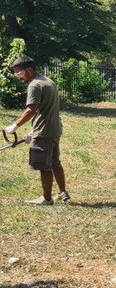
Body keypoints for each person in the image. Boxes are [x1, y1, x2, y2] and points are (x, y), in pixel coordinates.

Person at [5, 57, 69, 205]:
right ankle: (63, 192)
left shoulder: (35, 85)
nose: (18, 77)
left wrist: (15, 125)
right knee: (55, 163)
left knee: (44, 166)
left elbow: (31, 109)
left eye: (19, 73)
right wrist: (32, 132)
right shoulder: (48, 81)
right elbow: (45, 110)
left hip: (44, 133)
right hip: (54, 129)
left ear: (29, 70)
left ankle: (46, 199)